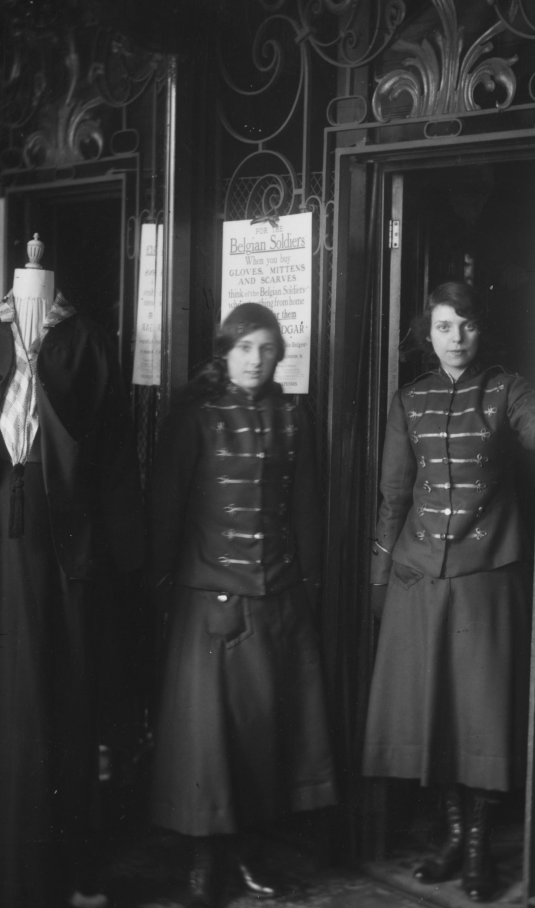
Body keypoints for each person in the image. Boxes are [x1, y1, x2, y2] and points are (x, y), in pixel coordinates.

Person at [0, 242, 144, 908]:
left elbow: (112, 462)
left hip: (59, 554)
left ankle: (50, 870)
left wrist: (128, 561)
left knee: (52, 709)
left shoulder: (89, 343)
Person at [149, 302, 336, 907]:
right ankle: (206, 867)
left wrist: (307, 587)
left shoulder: (293, 416)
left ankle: (248, 856)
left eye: (266, 349)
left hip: (277, 601)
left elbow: (307, 509)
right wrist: (161, 589)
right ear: (225, 352)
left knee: (260, 741)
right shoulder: (196, 416)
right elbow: (167, 509)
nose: (256, 360)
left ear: (279, 355)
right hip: (209, 601)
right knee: (208, 747)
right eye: (245, 348)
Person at [363, 281, 535, 902]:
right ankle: (451, 838)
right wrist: (382, 578)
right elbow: (393, 497)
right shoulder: (410, 399)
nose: (455, 338)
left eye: (464, 325)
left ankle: (476, 850)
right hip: (420, 577)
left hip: (487, 576)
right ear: (427, 333)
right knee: (432, 712)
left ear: (480, 329)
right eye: (443, 327)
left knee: (482, 721)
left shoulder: (507, 389)